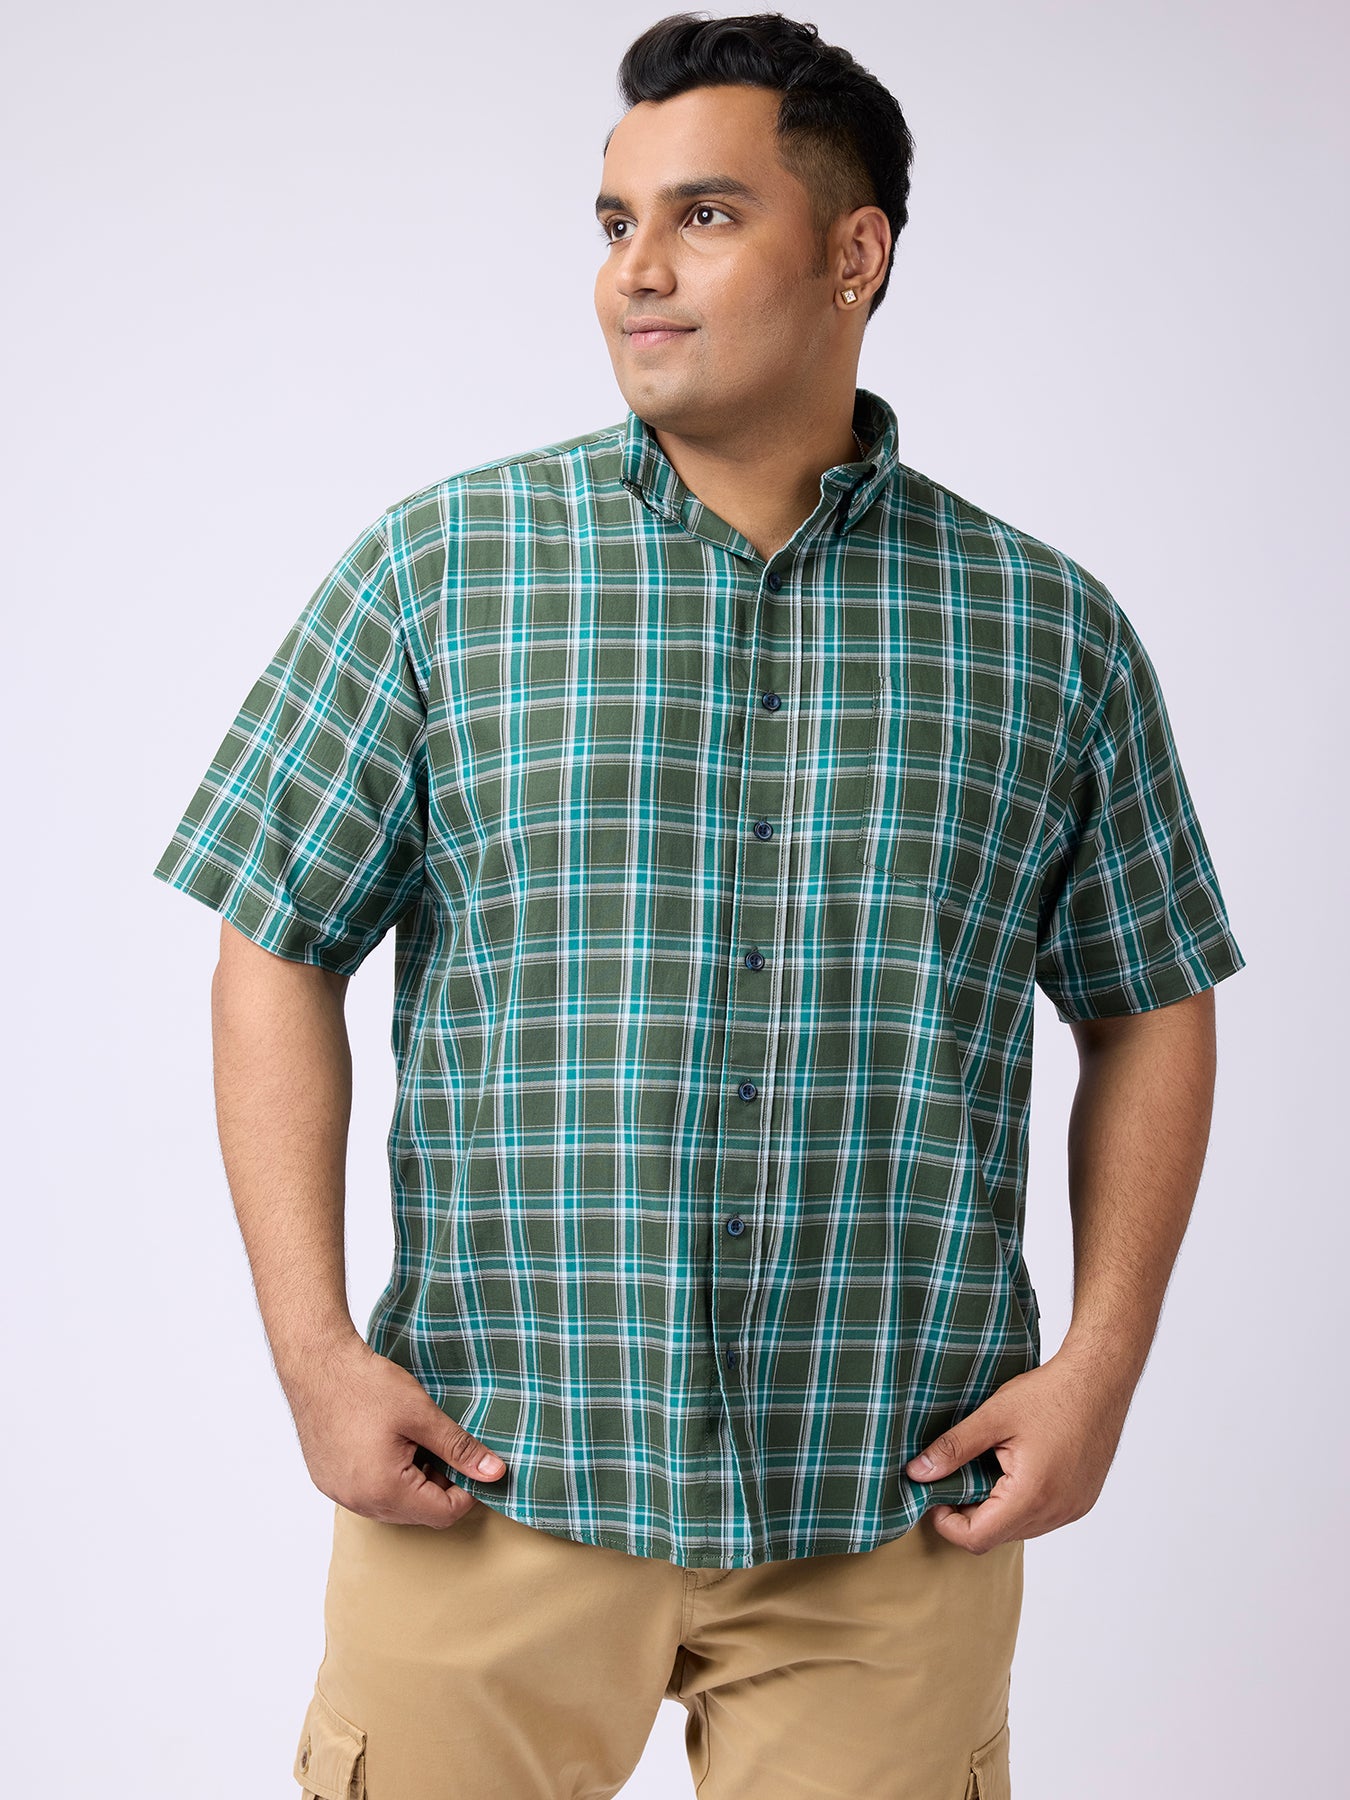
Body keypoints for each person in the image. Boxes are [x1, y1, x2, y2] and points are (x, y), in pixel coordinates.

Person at [151, 12, 1246, 1798]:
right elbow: (272, 941)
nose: (633, 274)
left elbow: (1152, 999)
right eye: (613, 224)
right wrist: (312, 1351)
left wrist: (1101, 1362)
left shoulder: (1047, 633)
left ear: (854, 252)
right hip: (490, 1478)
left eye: (703, 217)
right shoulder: (439, 576)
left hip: (890, 1505)